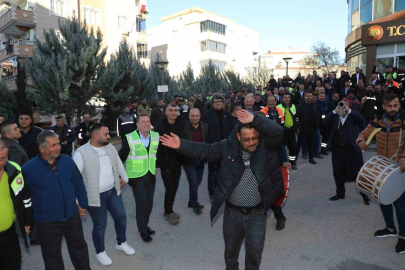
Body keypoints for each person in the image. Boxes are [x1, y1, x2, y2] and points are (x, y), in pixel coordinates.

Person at [160, 109, 284, 270]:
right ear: (238, 137)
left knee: (254, 256)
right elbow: (206, 150)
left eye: (255, 138)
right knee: (231, 255)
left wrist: (254, 119)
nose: (252, 142)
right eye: (247, 139)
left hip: (258, 213)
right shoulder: (227, 147)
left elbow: (278, 131)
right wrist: (181, 145)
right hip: (233, 214)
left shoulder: (266, 146)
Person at [22, 131, 91, 269]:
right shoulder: (28, 169)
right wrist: (26, 221)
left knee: (80, 250)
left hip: (72, 217)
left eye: (58, 143)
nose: (58, 147)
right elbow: (24, 198)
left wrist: (83, 204)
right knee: (52, 256)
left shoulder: (67, 160)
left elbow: (78, 183)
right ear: (42, 148)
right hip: (47, 222)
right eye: (53, 145)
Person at [74, 124, 134, 265]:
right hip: (95, 196)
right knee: (100, 225)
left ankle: (121, 242)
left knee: (121, 217)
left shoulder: (110, 147)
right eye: (106, 134)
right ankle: (100, 252)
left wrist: (124, 179)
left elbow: (118, 163)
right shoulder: (81, 153)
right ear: (95, 136)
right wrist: (78, 202)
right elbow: (75, 179)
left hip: (113, 191)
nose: (109, 136)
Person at [357, 94, 405, 254]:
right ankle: (390, 228)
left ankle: (403, 237)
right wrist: (361, 141)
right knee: (383, 199)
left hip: (400, 168)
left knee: (400, 204)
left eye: (395, 105)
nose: (393, 109)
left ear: (399, 106)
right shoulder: (378, 121)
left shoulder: (404, 121)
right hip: (383, 168)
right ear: (384, 106)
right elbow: (364, 133)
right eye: (389, 106)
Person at [119, 115, 159, 242]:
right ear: (137, 124)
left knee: (149, 203)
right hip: (136, 177)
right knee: (142, 203)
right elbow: (121, 158)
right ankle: (142, 230)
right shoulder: (129, 137)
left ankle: (145, 225)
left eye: (148, 121)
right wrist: (120, 175)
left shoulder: (156, 135)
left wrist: (158, 165)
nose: (146, 124)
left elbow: (159, 153)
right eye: (143, 122)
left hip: (150, 174)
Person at [323, 100, 370, 204]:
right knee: (337, 172)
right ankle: (340, 193)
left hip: (352, 149)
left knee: (358, 173)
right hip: (337, 149)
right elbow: (324, 122)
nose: (343, 108)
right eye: (341, 105)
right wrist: (335, 111)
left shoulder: (353, 115)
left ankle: (365, 196)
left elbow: (362, 119)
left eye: (345, 106)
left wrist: (349, 110)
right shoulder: (335, 116)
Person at [0, 139, 33, 270]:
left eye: (3, 157)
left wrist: (27, 220)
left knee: (13, 265)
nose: (1, 161)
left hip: (10, 234)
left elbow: (25, 196)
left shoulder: (14, 169)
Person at [154, 104, 185, 225]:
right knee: (170, 187)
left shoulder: (181, 124)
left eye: (175, 110)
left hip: (177, 162)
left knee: (175, 187)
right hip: (165, 162)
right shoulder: (159, 126)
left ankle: (169, 209)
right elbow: (155, 145)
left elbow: (184, 143)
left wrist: (183, 161)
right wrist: (157, 163)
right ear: (166, 112)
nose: (173, 112)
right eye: (170, 110)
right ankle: (168, 212)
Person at [202, 94, 233, 203]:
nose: (218, 103)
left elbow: (231, 132)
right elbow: (204, 134)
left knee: (224, 171)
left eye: (220, 101)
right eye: (215, 102)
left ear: (223, 103)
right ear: (212, 103)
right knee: (213, 172)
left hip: (225, 148)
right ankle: (212, 193)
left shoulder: (227, 115)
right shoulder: (206, 116)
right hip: (212, 148)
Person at [182, 108, 208, 215]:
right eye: (192, 116)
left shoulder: (205, 126)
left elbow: (207, 142)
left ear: (200, 116)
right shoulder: (184, 127)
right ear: (189, 116)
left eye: (197, 116)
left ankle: (191, 201)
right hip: (189, 159)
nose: (195, 118)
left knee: (198, 181)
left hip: (201, 159)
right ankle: (195, 204)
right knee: (193, 182)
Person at [296, 91, 321, 165]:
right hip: (303, 128)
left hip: (312, 128)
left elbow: (317, 115)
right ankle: (293, 160)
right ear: (305, 96)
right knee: (299, 144)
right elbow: (296, 117)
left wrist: (317, 124)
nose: (309, 97)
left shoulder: (314, 104)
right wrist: (297, 127)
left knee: (311, 144)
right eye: (308, 96)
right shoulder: (300, 105)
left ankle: (311, 158)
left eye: (311, 96)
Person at [277, 93, 298, 170]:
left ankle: (292, 163)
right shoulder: (278, 107)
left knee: (293, 148)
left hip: (291, 131)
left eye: (288, 97)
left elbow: (295, 117)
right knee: (281, 148)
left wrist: (296, 127)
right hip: (283, 131)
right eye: (285, 97)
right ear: (282, 99)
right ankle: (281, 163)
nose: (287, 99)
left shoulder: (293, 106)